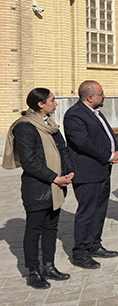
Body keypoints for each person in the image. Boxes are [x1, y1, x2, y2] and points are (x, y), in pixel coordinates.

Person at [2, 88, 75, 289]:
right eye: (52, 100)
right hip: (37, 187)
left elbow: (63, 150)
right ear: (40, 104)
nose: (56, 103)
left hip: (56, 185)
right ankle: (33, 271)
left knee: (51, 228)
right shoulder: (25, 127)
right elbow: (29, 162)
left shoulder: (50, 124)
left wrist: (69, 171)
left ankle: (49, 266)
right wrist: (54, 178)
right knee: (34, 230)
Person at [63, 80, 118, 269]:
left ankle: (94, 244)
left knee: (100, 210)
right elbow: (83, 143)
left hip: (102, 171)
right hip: (87, 173)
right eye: (101, 94)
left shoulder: (96, 111)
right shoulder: (74, 115)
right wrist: (108, 155)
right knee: (87, 212)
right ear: (90, 97)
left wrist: (116, 149)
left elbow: (107, 135)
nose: (104, 96)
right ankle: (80, 252)